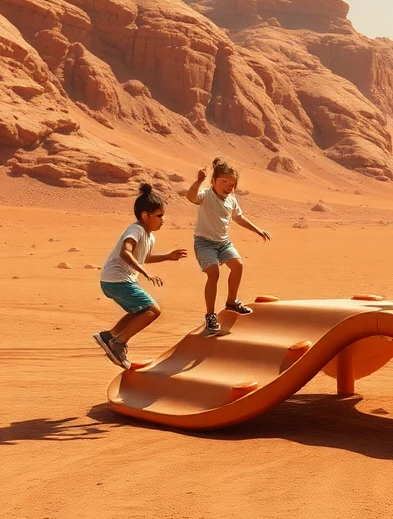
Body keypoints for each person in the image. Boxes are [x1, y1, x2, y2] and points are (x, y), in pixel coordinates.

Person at [93, 184, 187, 369]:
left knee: (139, 311)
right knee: (153, 310)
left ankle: (109, 336)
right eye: (159, 216)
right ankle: (117, 344)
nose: (163, 220)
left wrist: (168, 256)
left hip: (112, 281)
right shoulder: (136, 230)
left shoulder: (149, 236)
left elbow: (144, 257)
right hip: (117, 280)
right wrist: (145, 272)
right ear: (145, 215)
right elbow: (125, 252)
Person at [186, 158, 271, 337]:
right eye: (224, 181)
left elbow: (239, 218)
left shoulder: (231, 199)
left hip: (223, 243)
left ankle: (231, 302)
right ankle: (210, 316)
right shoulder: (206, 195)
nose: (228, 186)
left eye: (232, 184)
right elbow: (191, 197)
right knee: (213, 272)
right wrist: (198, 180)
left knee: (238, 265)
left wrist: (258, 230)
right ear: (213, 181)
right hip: (204, 242)